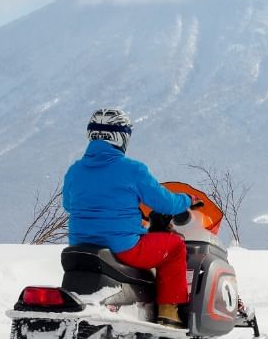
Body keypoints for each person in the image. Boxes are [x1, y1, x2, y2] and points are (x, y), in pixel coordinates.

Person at [62, 108, 194, 327]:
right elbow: (165, 203)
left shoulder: (75, 170)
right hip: (123, 247)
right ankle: (169, 312)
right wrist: (187, 200)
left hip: (81, 246)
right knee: (175, 246)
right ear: (121, 137)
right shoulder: (132, 170)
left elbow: (68, 204)